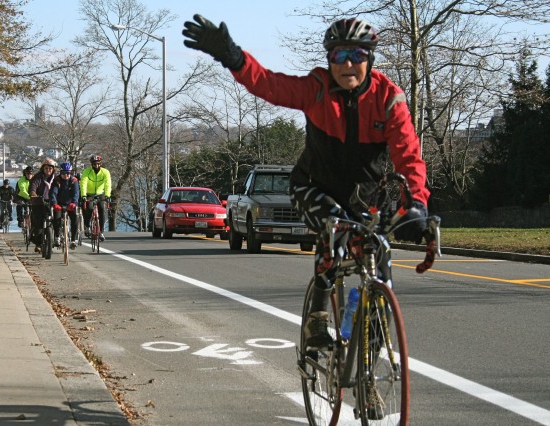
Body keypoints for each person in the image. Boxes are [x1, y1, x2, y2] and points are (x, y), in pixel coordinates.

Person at [183, 17, 430, 351]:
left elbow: (409, 157)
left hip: (366, 195)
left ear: (370, 58)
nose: (347, 65)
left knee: (378, 251)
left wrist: (416, 204)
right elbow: (269, 85)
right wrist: (233, 56)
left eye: (356, 55)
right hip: (314, 188)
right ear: (329, 60)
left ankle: (370, 348)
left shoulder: (389, 99)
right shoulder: (317, 89)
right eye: (338, 56)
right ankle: (316, 317)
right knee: (334, 231)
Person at [80, 155, 112, 242]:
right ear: (91, 164)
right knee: (89, 208)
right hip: (89, 193)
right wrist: (83, 195)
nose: (96, 166)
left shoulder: (105, 172)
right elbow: (83, 183)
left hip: (100, 193)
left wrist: (107, 195)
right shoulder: (87, 171)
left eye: (98, 164)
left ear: (100, 164)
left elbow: (108, 184)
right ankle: (87, 226)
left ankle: (101, 232)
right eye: (94, 164)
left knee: (101, 209)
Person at [28, 158, 57, 253]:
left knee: (57, 219)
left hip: (53, 202)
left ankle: (57, 237)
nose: (48, 170)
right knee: (38, 222)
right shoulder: (37, 177)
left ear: (53, 169)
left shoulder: (56, 178)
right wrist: (33, 193)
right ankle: (38, 243)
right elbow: (33, 187)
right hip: (39, 202)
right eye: (46, 168)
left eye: (50, 168)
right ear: (43, 169)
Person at [50, 162, 80, 249]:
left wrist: (74, 203)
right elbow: (53, 193)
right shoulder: (56, 180)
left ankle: (74, 240)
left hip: (71, 204)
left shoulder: (74, 181)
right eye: (63, 173)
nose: (66, 175)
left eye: (68, 173)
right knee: (56, 218)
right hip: (59, 204)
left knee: (75, 218)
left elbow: (76, 193)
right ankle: (57, 237)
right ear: (60, 173)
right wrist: (54, 203)